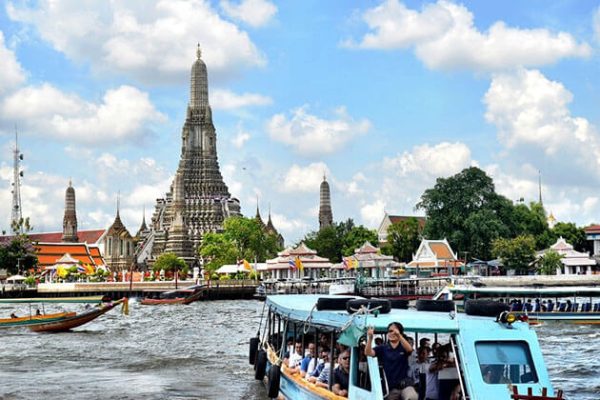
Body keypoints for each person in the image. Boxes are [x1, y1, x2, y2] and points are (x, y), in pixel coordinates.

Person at [366, 322, 418, 400]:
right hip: (391, 387)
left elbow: (410, 350)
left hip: (405, 385)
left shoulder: (403, 346)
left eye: (395, 331)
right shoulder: (383, 348)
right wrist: (370, 338)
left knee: (412, 397)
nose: (392, 333)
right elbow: (368, 352)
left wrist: (399, 335)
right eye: (390, 331)